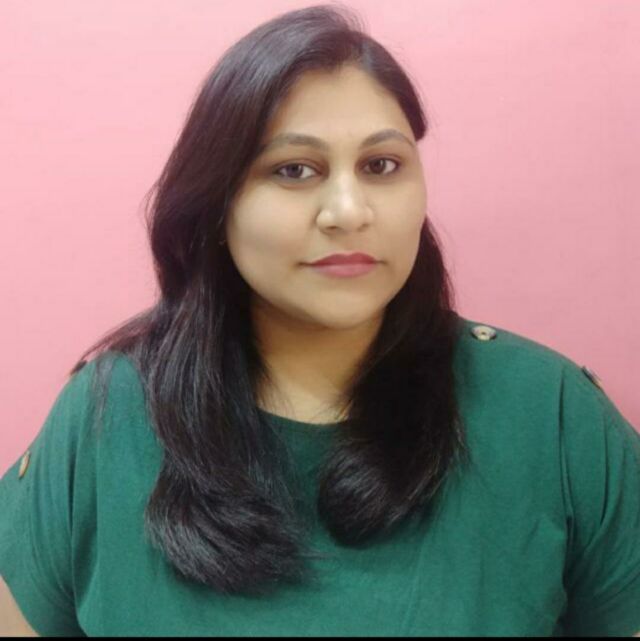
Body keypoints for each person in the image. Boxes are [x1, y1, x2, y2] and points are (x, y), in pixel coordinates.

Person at [1, 4, 639, 637]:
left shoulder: (550, 415)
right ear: (217, 204)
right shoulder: (106, 420)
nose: (349, 211)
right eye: (294, 170)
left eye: (381, 165)